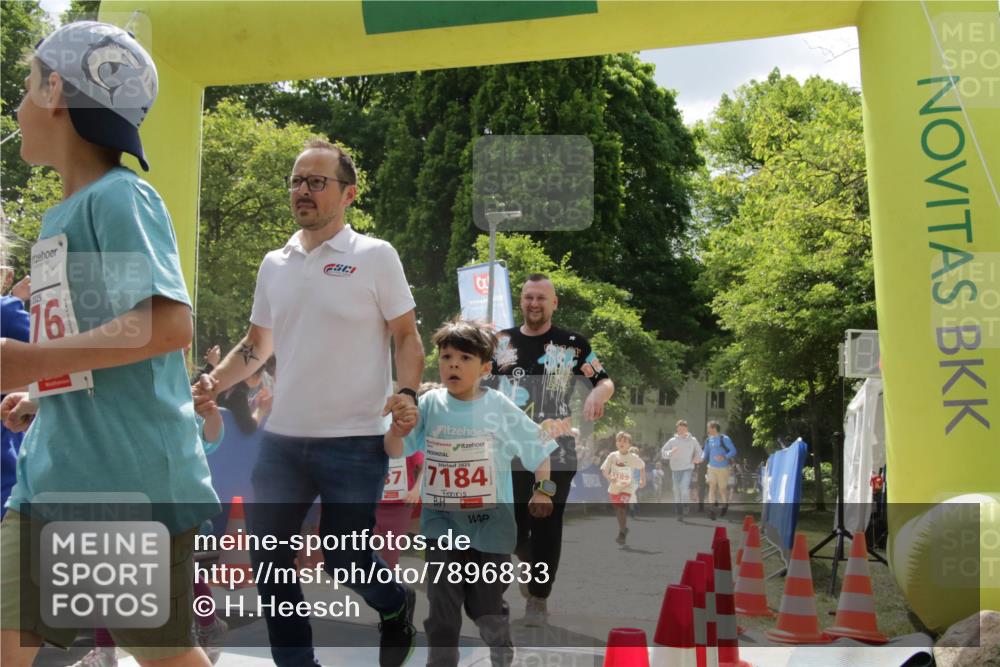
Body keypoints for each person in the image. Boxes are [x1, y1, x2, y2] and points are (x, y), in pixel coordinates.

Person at [0, 21, 220, 667]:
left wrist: (31, 361)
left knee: (163, 656)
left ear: (56, 90)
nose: (15, 106)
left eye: (24, 85)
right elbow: (106, 344)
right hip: (51, 479)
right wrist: (43, 393)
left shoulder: (122, 196)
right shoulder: (56, 219)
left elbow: (165, 324)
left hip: (128, 486)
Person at [192, 138, 424, 667]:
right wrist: (214, 379)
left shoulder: (375, 256)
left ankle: (394, 604)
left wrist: (407, 392)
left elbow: (407, 336)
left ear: (349, 194)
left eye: (316, 181)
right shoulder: (275, 262)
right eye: (297, 180)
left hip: (355, 441)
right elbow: (257, 345)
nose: (302, 190)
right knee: (270, 561)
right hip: (282, 443)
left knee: (345, 559)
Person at [388, 319, 555, 667]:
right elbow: (395, 449)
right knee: (443, 611)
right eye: (446, 356)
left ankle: (500, 648)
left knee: (485, 610)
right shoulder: (430, 404)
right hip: (441, 531)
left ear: (484, 367)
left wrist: (543, 491)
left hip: (491, 534)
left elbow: (542, 450)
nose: (453, 364)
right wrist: (395, 429)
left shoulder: (499, 408)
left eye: (465, 358)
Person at [491, 273, 614, 625]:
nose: (534, 304)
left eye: (541, 298)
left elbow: (604, 380)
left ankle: (539, 599)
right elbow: (478, 382)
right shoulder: (501, 342)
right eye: (529, 297)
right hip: (508, 450)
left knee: (546, 524)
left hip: (556, 450)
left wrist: (596, 393)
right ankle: (526, 562)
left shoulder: (572, 344)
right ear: (521, 300)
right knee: (507, 525)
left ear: (554, 303)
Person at [601, 432, 644, 545]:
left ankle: (622, 533)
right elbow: (604, 470)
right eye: (619, 440)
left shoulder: (633, 458)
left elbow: (642, 466)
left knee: (621, 508)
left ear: (630, 444)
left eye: (625, 441)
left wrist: (642, 480)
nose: (622, 443)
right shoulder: (612, 456)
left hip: (627, 488)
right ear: (616, 443)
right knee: (619, 510)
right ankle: (624, 529)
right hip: (614, 488)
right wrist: (610, 478)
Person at [660, 419, 703, 520]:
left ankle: (686, 506)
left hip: (688, 468)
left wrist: (697, 458)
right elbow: (663, 452)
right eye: (679, 429)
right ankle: (679, 512)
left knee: (684, 489)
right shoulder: (672, 441)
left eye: (683, 429)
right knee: (676, 491)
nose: (681, 431)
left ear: (687, 429)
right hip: (675, 469)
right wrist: (670, 452)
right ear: (677, 429)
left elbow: (700, 452)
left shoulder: (693, 440)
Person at [704, 421, 738, 519]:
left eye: (708, 427)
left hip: (723, 468)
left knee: (722, 489)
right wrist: (699, 458)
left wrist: (724, 457)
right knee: (712, 488)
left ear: (714, 428)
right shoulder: (708, 440)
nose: (707, 429)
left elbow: (733, 451)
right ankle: (712, 511)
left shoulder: (724, 439)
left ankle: (725, 505)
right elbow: (705, 453)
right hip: (711, 468)